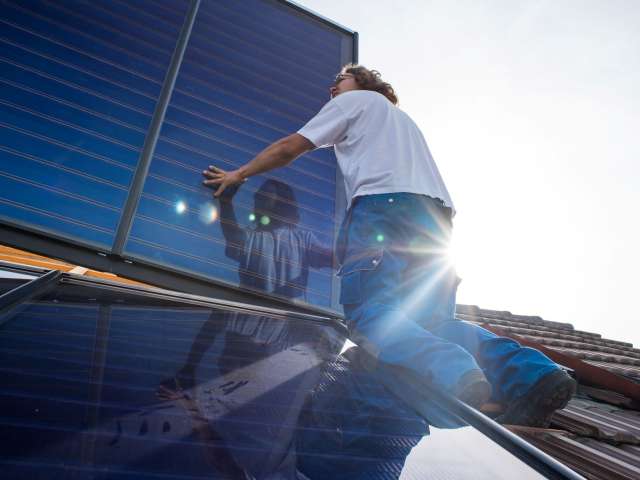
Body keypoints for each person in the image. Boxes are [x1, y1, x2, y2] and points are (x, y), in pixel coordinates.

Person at [202, 64, 576, 427]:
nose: (333, 87)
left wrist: (239, 174)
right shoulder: (404, 122)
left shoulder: (354, 102)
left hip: (384, 209)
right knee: (433, 323)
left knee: (370, 314)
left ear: (363, 83)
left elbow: (290, 147)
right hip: (435, 221)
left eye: (341, 79)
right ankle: (532, 375)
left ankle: (456, 373)